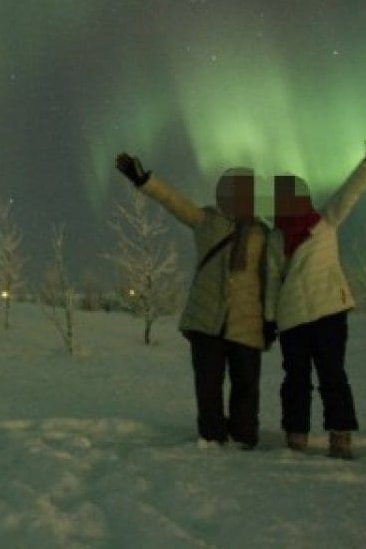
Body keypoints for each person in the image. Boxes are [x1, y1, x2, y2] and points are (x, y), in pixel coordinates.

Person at [116, 153, 272, 448]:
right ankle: (212, 436)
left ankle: (243, 435)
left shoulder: (263, 234)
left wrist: (271, 319)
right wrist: (144, 181)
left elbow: (271, 278)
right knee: (208, 385)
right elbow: (174, 202)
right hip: (205, 320)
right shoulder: (207, 221)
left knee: (246, 385)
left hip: (247, 321)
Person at [266, 135, 366, 460]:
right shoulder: (275, 237)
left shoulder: (325, 221)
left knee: (332, 375)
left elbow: (349, 193)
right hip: (293, 317)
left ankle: (340, 435)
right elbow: (271, 282)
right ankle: (296, 434)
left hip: (328, 312)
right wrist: (269, 320)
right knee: (295, 379)